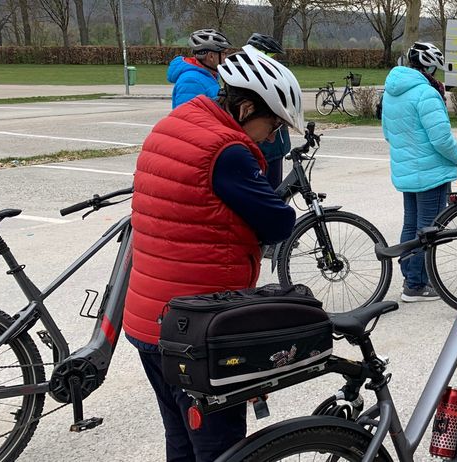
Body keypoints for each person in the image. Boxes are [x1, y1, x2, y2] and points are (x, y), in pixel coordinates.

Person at [125, 45, 301, 461]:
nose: (273, 135)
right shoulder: (227, 152)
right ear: (243, 109)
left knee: (181, 440)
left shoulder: (178, 122)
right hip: (198, 331)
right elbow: (278, 223)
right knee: (220, 449)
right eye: (272, 123)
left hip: (151, 322)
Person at [382, 42, 457, 302]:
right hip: (431, 172)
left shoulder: (392, 91)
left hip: (407, 170)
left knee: (411, 224)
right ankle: (417, 285)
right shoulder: (426, 94)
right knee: (429, 228)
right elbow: (441, 139)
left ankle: (411, 278)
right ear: (429, 67)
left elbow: (388, 133)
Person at [246, 33, 291, 189]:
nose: (275, 60)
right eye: (272, 56)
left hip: (275, 145)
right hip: (265, 145)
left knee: (274, 189)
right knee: (269, 191)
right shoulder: (251, 77)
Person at [168, 29, 231, 109]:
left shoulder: (208, 76)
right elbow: (190, 118)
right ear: (211, 56)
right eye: (224, 54)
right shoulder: (191, 81)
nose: (225, 58)